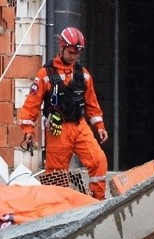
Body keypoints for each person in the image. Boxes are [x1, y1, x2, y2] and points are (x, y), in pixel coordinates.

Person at [19, 27, 109, 200]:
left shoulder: (83, 75)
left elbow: (92, 103)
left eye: (77, 53)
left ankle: (98, 201)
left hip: (80, 125)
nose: (74, 56)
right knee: (56, 176)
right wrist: (28, 130)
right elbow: (32, 104)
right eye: (71, 52)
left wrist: (99, 125)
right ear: (62, 48)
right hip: (57, 129)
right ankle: (57, 210)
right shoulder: (46, 74)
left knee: (99, 161)